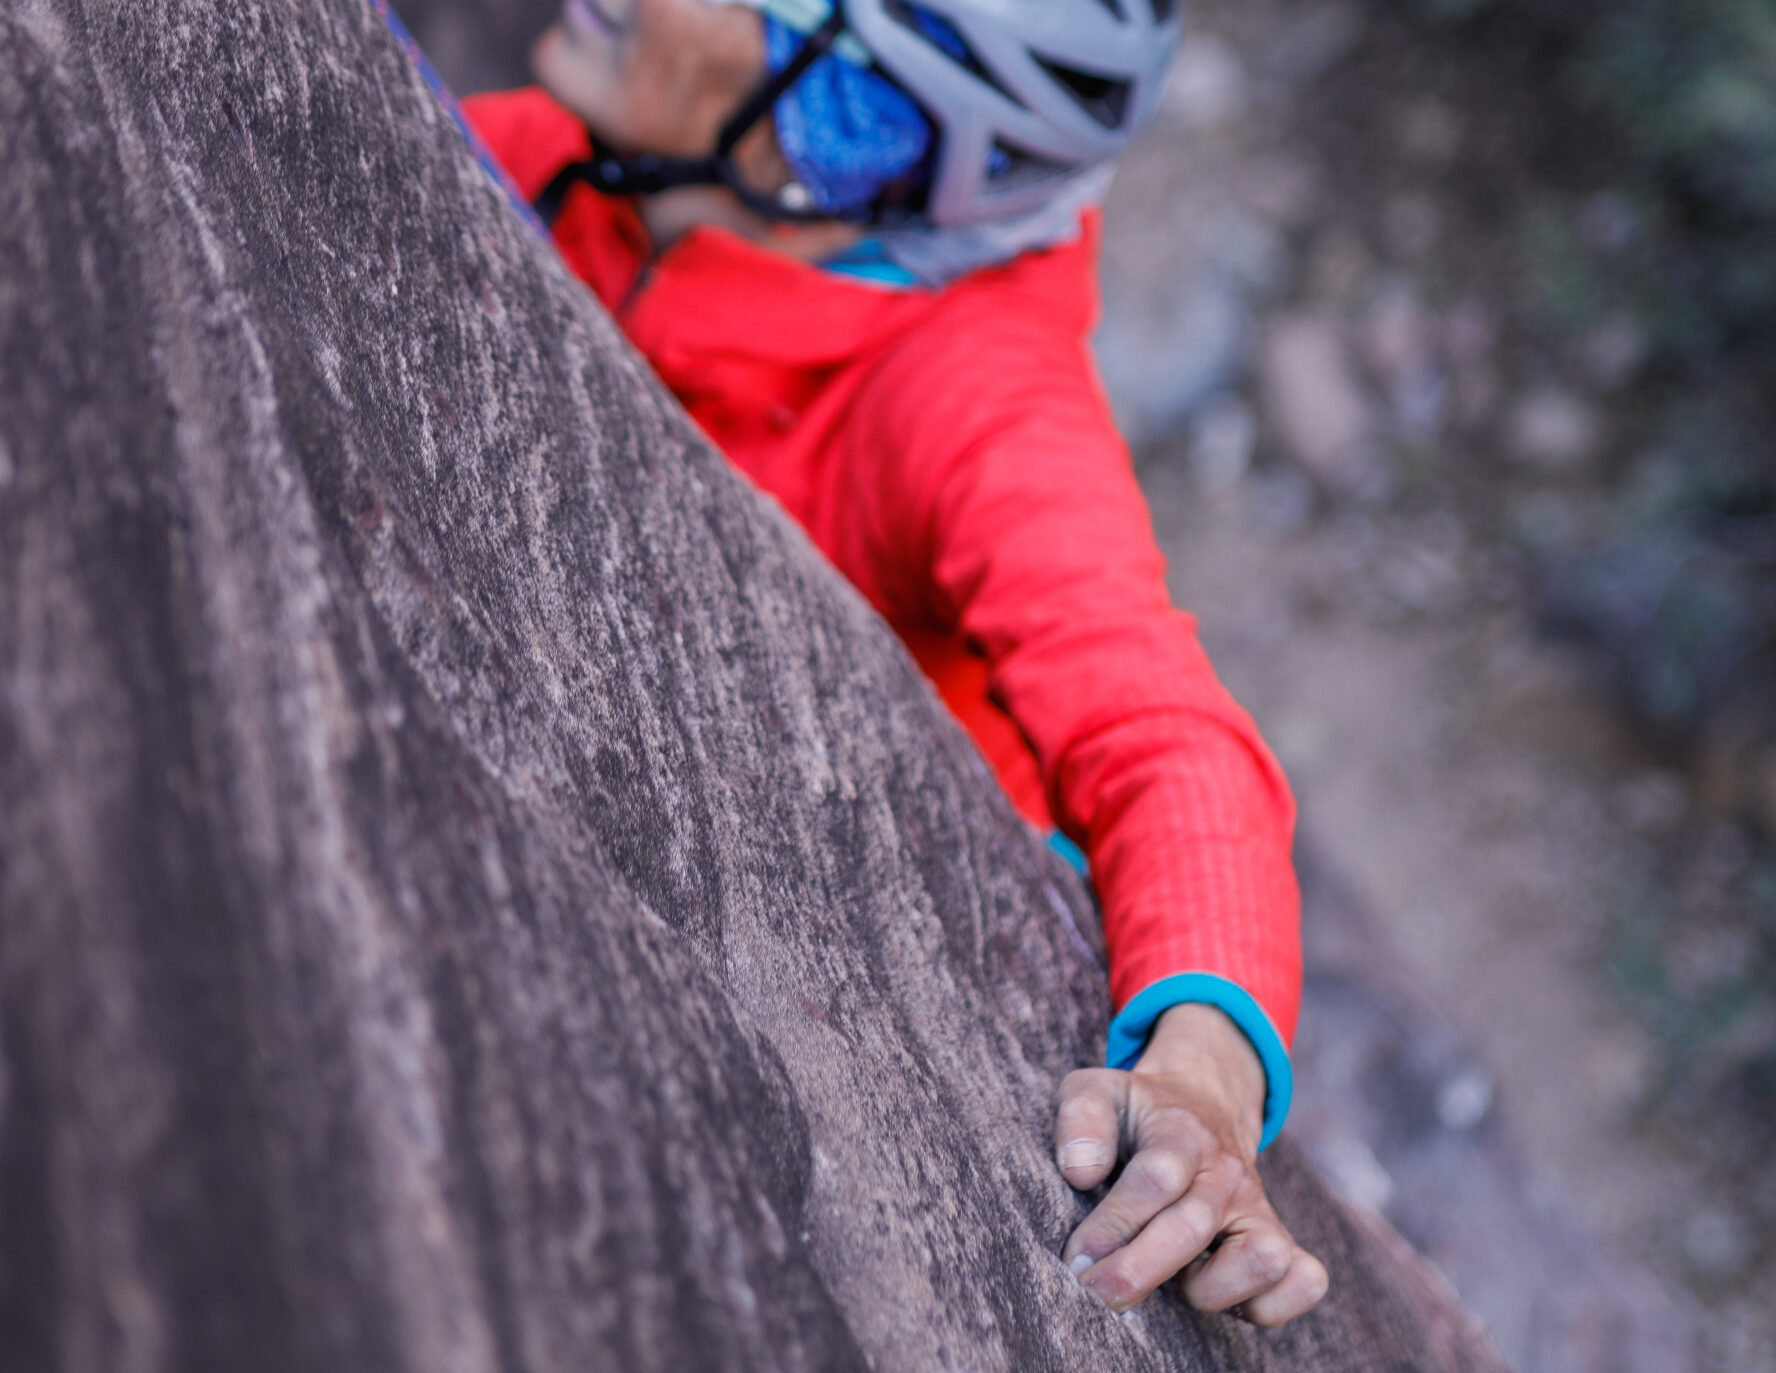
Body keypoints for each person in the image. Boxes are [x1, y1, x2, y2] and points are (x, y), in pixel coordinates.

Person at [461, 0, 1329, 1325]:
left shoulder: (969, 395)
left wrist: (1202, 1077)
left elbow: (1166, 739)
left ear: (845, 129)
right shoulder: (599, 169)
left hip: (844, 900)